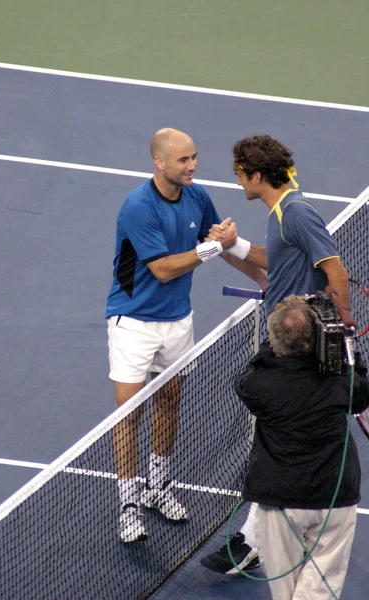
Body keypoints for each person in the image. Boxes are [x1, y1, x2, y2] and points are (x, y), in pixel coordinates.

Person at [106, 127, 267, 543]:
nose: (193, 165)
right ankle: (128, 501)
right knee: (129, 414)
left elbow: (224, 247)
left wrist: (268, 281)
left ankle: (157, 486)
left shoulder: (196, 196)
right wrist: (212, 247)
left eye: (194, 156)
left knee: (170, 401)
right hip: (133, 322)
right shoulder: (138, 207)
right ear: (159, 162)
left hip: (178, 320)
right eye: (183, 160)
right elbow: (162, 269)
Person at [201, 134, 352, 574]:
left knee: (274, 442)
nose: (238, 182)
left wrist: (338, 334)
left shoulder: (297, 212)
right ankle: (261, 537)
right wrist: (232, 244)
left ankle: (257, 542)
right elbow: (278, 261)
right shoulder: (281, 212)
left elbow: (336, 271)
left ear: (256, 175)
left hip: (294, 349)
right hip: (285, 342)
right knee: (276, 440)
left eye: (240, 175)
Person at [233, 296, 369, 599]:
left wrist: (276, 344)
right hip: (335, 500)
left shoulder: (259, 386)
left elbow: (246, 376)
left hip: (281, 505)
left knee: (286, 593)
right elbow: (361, 388)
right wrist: (347, 350)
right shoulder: (339, 383)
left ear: (275, 339)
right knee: (322, 587)